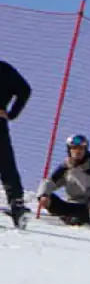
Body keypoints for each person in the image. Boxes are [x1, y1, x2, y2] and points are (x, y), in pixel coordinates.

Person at [36, 134, 90, 228]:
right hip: (77, 207)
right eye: (74, 148)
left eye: (81, 148)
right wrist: (43, 195)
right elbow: (51, 182)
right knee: (48, 196)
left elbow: (87, 185)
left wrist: (74, 169)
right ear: (69, 150)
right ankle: (71, 218)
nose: (78, 151)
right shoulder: (65, 168)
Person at [0, 59, 32, 227]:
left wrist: (11, 114)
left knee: (6, 164)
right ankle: (16, 203)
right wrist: (11, 113)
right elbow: (24, 90)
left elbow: (25, 90)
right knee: (6, 165)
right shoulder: (5, 69)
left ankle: (17, 205)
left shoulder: (4, 69)